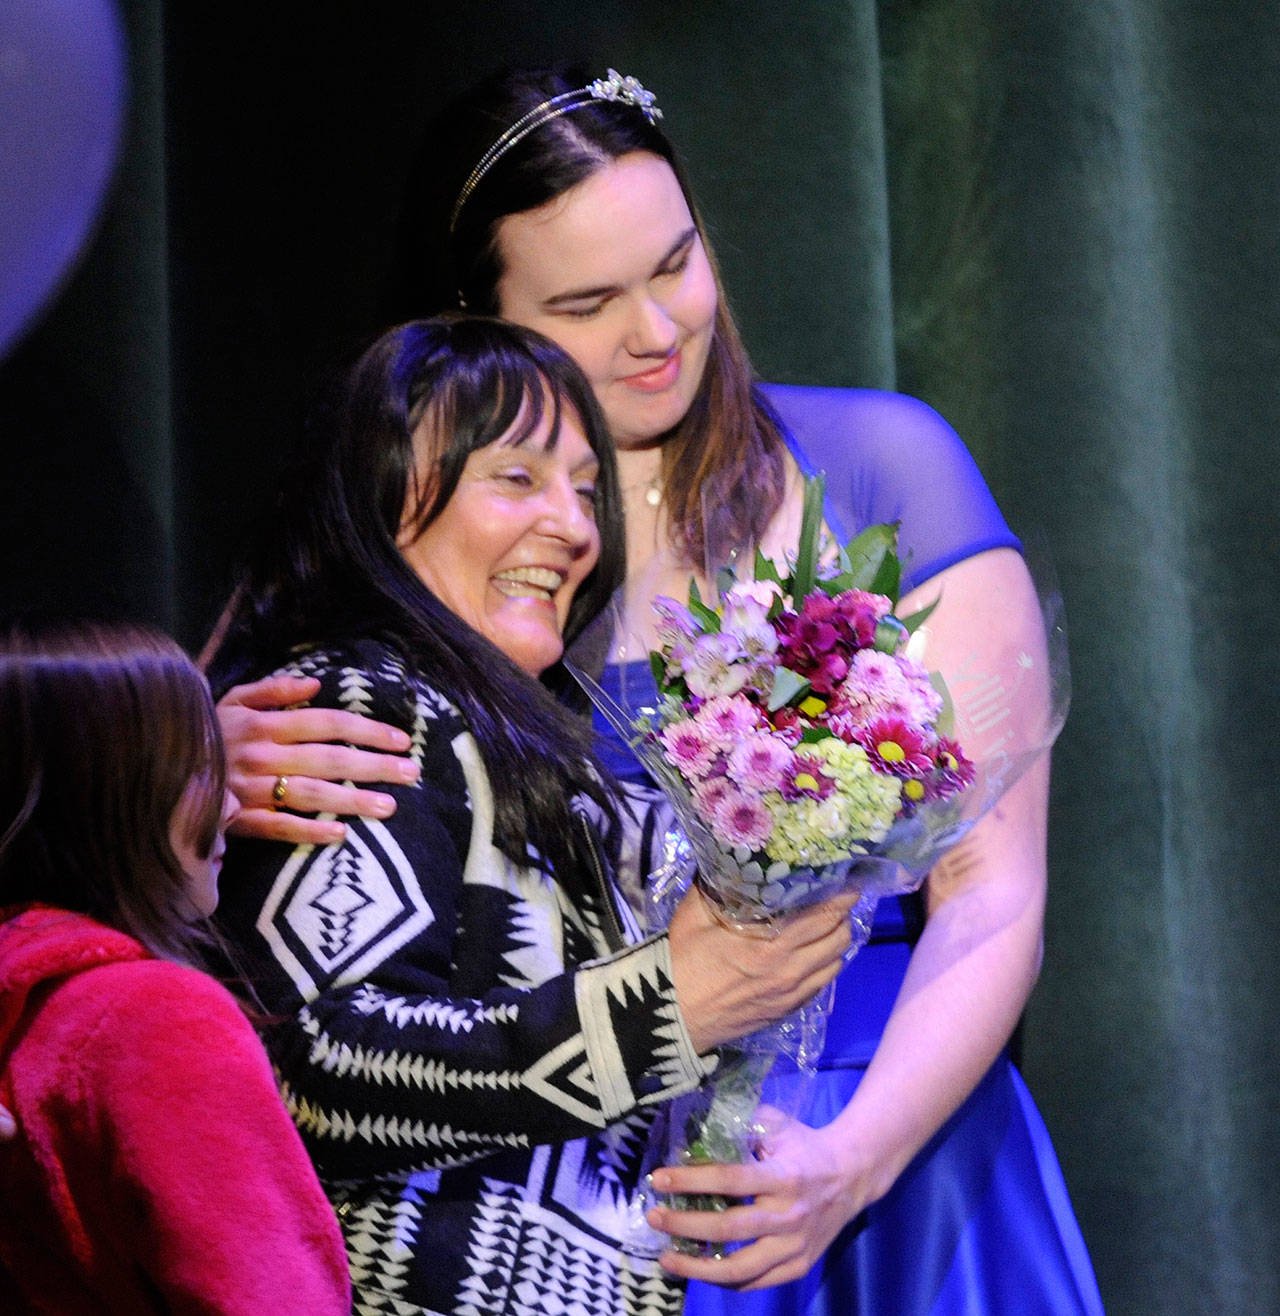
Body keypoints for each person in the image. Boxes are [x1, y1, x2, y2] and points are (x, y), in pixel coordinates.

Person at [214, 71, 1105, 1313]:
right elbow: (315, 1024)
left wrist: (852, 1162)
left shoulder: (878, 464)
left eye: (675, 262)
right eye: (585, 301)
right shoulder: (473, 559)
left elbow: (992, 893)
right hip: (584, 1183)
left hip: (893, 1145)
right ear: (478, 316)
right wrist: (200, 758)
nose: (656, 329)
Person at [205, 313, 855, 1316]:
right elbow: (315, 1068)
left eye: (586, 491)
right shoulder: (355, 712)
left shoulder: (545, 766)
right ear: (382, 495)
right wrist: (663, 1010)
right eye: (516, 476)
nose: (575, 527)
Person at [0, 615, 351, 1314]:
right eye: (198, 770)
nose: (230, 804)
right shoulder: (157, 1018)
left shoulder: (24, 1000)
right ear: (103, 791)